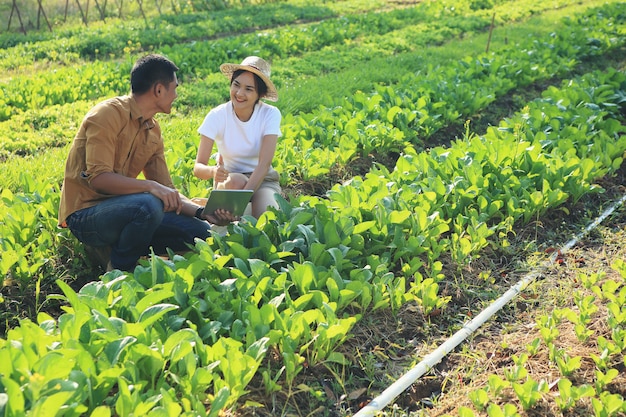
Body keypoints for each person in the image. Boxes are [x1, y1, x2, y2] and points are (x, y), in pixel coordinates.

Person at [58, 53, 233, 272]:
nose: (176, 95)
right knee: (148, 204)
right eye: (174, 88)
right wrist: (150, 187)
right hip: (86, 215)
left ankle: (120, 247)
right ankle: (119, 269)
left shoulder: (153, 130)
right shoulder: (106, 115)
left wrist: (202, 212)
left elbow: (167, 189)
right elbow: (99, 179)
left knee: (200, 233)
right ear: (159, 90)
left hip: (127, 211)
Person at [193, 56, 282, 218]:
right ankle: (216, 209)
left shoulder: (270, 114)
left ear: (259, 94)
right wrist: (213, 171)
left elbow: (264, 164)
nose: (239, 93)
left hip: (264, 180)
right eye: (236, 85)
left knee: (267, 218)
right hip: (230, 181)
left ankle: (214, 205)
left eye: (249, 89)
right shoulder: (217, 115)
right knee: (236, 183)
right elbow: (198, 167)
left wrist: (240, 201)